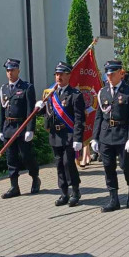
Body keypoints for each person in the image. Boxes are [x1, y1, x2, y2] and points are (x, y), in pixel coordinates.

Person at [35, 61, 85, 207]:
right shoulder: (51, 94)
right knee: (59, 165)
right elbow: (50, 113)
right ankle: (64, 193)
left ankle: (75, 191)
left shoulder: (75, 95)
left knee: (68, 163)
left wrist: (78, 138)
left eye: (62, 74)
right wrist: (40, 108)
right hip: (55, 135)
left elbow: (79, 119)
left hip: (69, 135)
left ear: (69, 75)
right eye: (57, 74)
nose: (59, 77)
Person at [91, 60, 129, 212]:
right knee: (108, 167)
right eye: (108, 74)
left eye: (112, 73)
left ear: (120, 73)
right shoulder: (103, 92)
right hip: (106, 134)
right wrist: (95, 137)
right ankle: (114, 199)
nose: (109, 76)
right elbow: (99, 116)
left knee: (126, 166)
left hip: (123, 134)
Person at [0, 58, 41, 199]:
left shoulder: (26, 87)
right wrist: (0, 129)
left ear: (18, 70)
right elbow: (2, 111)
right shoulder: (3, 89)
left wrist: (30, 129)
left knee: (26, 156)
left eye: (12, 70)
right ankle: (14, 187)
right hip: (8, 127)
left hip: (21, 127)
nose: (10, 73)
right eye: (8, 70)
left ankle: (35, 178)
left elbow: (31, 110)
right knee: (11, 158)